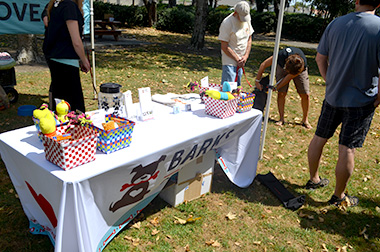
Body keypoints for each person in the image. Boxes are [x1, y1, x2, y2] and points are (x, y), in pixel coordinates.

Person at [306, 0, 380, 207]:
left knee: (319, 137)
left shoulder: (336, 23)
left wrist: (330, 81)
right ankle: (338, 196)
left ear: (357, 1)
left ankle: (314, 179)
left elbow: (320, 58)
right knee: (347, 149)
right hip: (361, 100)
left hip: (334, 96)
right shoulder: (378, 28)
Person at [43, 0, 90, 112]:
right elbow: (76, 41)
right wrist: (85, 61)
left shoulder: (54, 5)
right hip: (65, 60)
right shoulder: (69, 6)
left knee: (60, 103)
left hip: (54, 57)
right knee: (74, 106)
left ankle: (60, 126)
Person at [255, 47, 311, 129]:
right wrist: (257, 80)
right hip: (281, 66)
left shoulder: (301, 64)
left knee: (305, 94)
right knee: (281, 93)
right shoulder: (280, 55)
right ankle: (281, 119)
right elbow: (263, 65)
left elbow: (289, 77)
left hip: (298, 70)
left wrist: (276, 87)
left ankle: (305, 120)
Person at [218, 1, 254, 86]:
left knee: (237, 89)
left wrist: (245, 56)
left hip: (241, 60)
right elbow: (224, 46)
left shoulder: (247, 19)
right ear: (235, 13)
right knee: (228, 88)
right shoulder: (227, 23)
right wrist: (237, 59)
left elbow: (249, 38)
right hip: (230, 60)